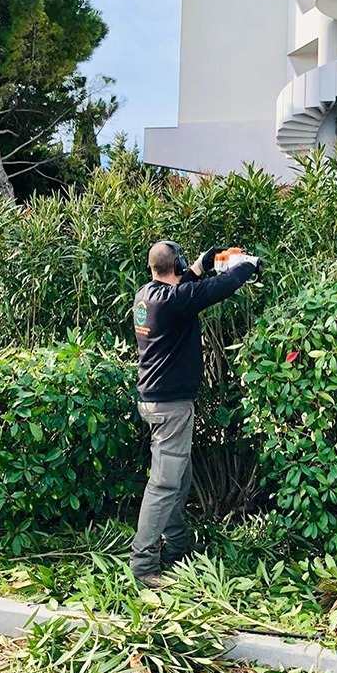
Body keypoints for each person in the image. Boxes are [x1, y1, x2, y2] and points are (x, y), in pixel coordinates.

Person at [130, 240, 260, 588]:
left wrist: (202, 263)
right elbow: (215, 289)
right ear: (177, 265)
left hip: (156, 401)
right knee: (164, 484)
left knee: (178, 479)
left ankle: (177, 547)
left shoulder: (147, 295)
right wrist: (246, 266)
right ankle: (143, 565)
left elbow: (185, 285)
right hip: (170, 407)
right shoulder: (174, 302)